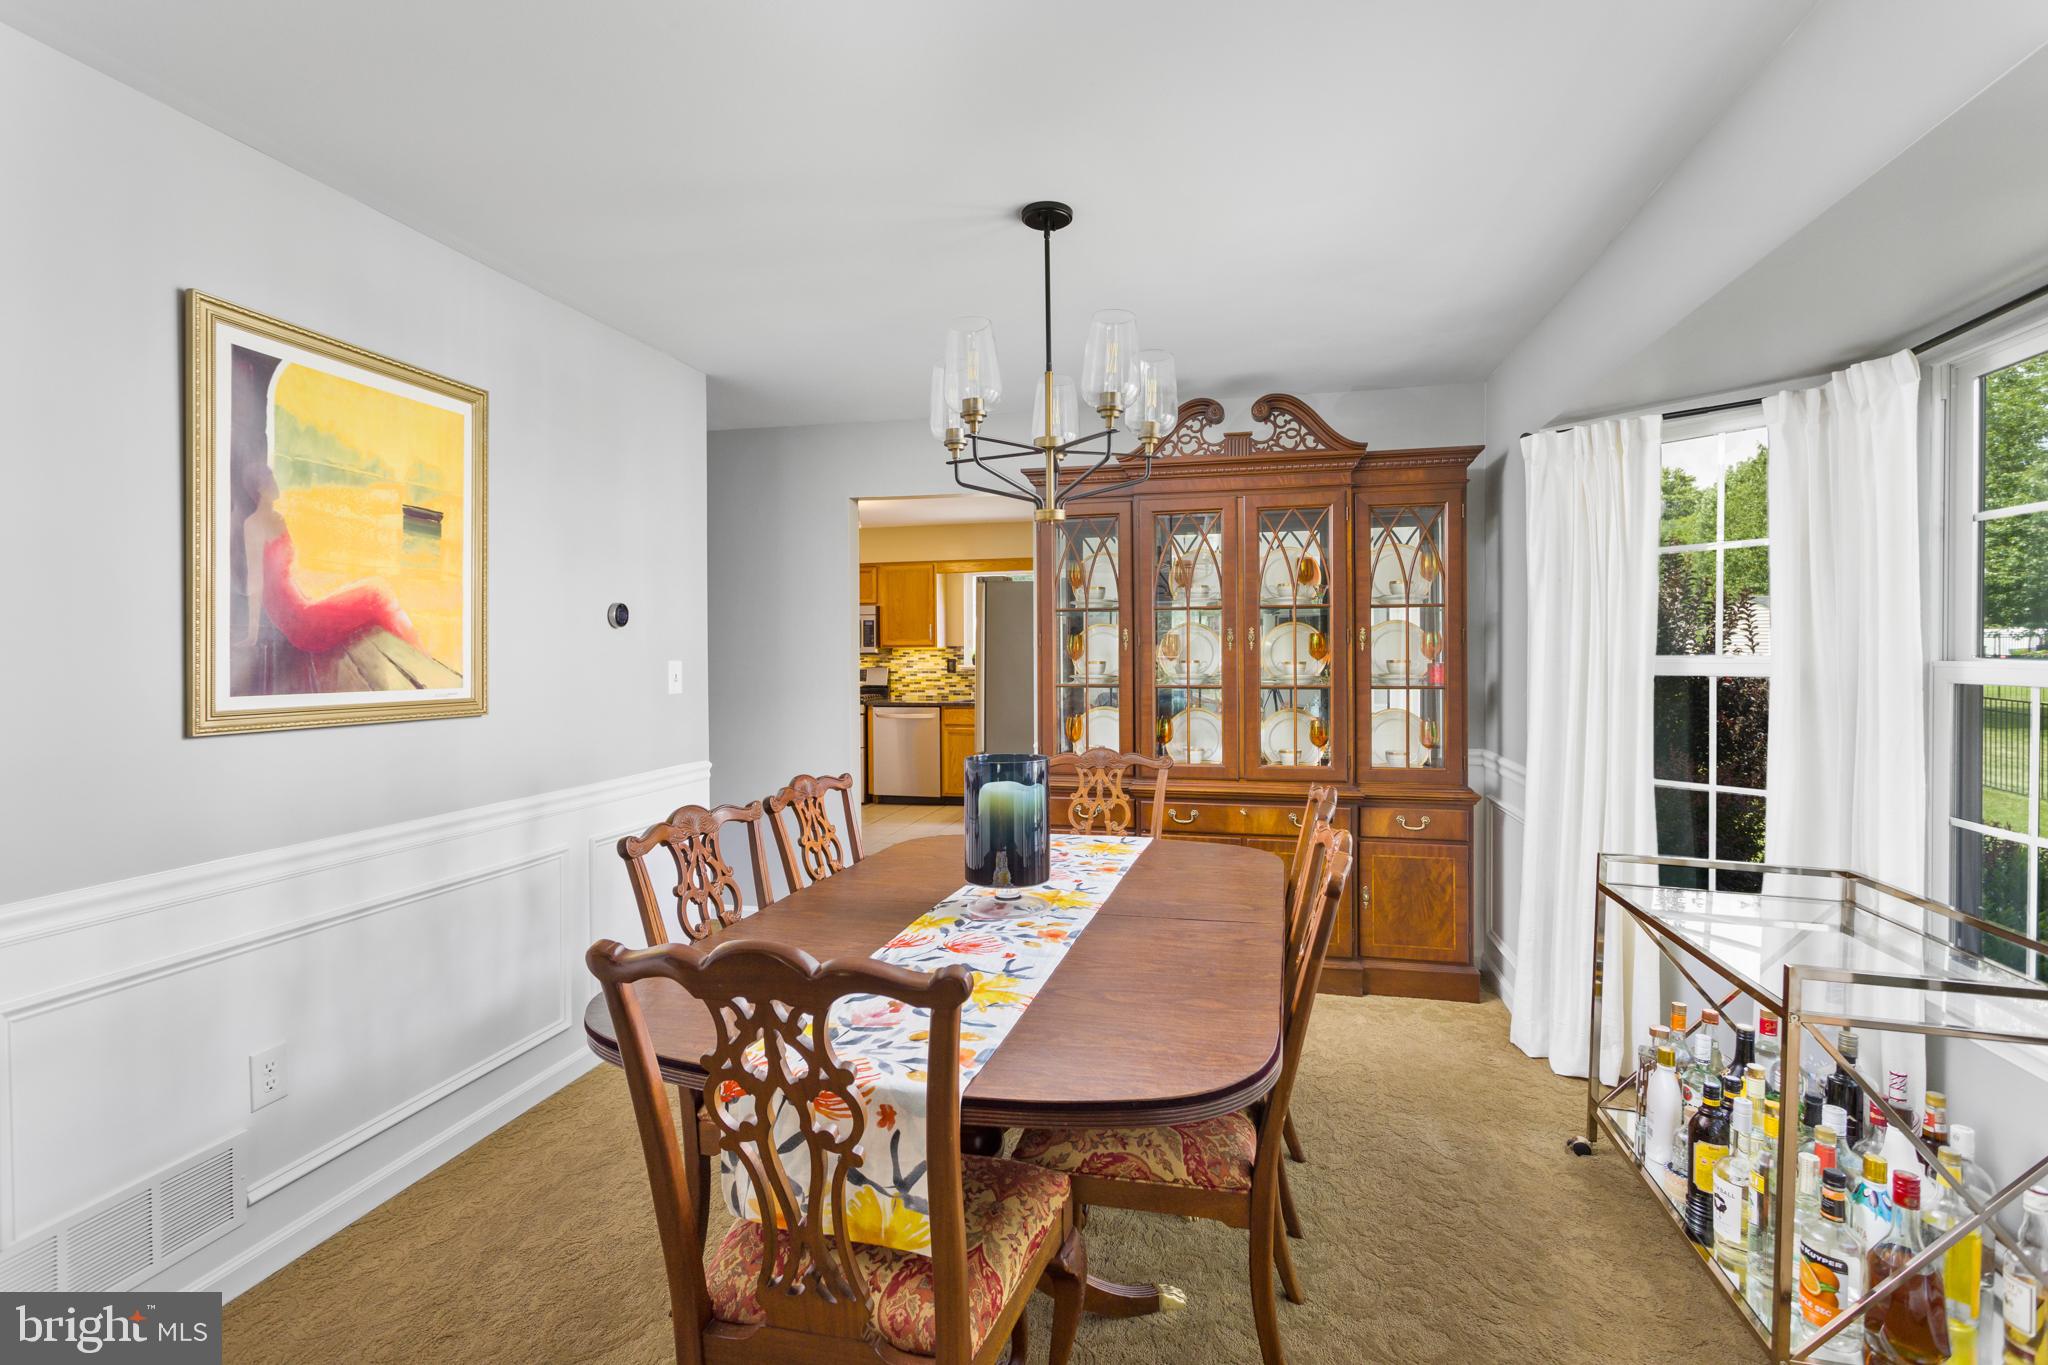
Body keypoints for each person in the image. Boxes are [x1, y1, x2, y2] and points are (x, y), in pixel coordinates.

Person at [240, 461, 420, 654]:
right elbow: (255, 580)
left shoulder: (279, 519)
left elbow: (289, 572)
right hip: (299, 621)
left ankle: (414, 652)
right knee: (376, 592)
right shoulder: (253, 525)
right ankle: (416, 653)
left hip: (301, 605)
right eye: (270, 478)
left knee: (374, 591)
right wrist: (252, 634)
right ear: (260, 487)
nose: (275, 483)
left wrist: (319, 592)